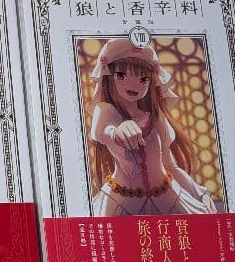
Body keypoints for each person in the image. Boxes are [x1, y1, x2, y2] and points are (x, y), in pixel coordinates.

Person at [88, 38, 217, 215]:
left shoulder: (156, 117)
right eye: (122, 75)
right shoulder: (105, 110)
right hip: (121, 202)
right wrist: (117, 132)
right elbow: (104, 131)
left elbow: (170, 165)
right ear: (109, 76)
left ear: (151, 82)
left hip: (168, 197)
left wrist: (199, 194)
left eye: (143, 79)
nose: (133, 84)